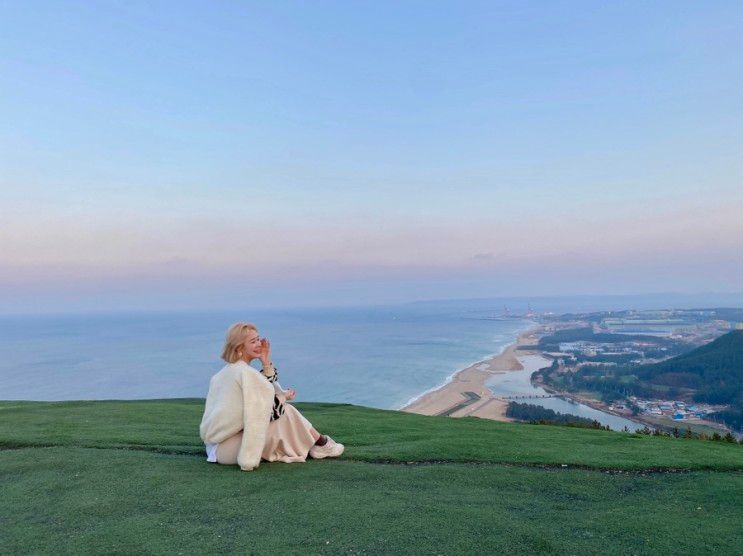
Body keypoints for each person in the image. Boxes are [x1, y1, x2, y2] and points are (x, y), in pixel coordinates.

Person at [200, 322, 344, 471]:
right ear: (239, 347)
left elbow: (261, 389)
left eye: (258, 339)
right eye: (253, 341)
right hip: (229, 449)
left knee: (285, 412)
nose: (259, 344)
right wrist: (283, 398)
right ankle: (321, 443)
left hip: (215, 448)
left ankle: (319, 443)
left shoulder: (224, 373)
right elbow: (267, 411)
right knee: (287, 412)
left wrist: (266, 361)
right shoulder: (246, 374)